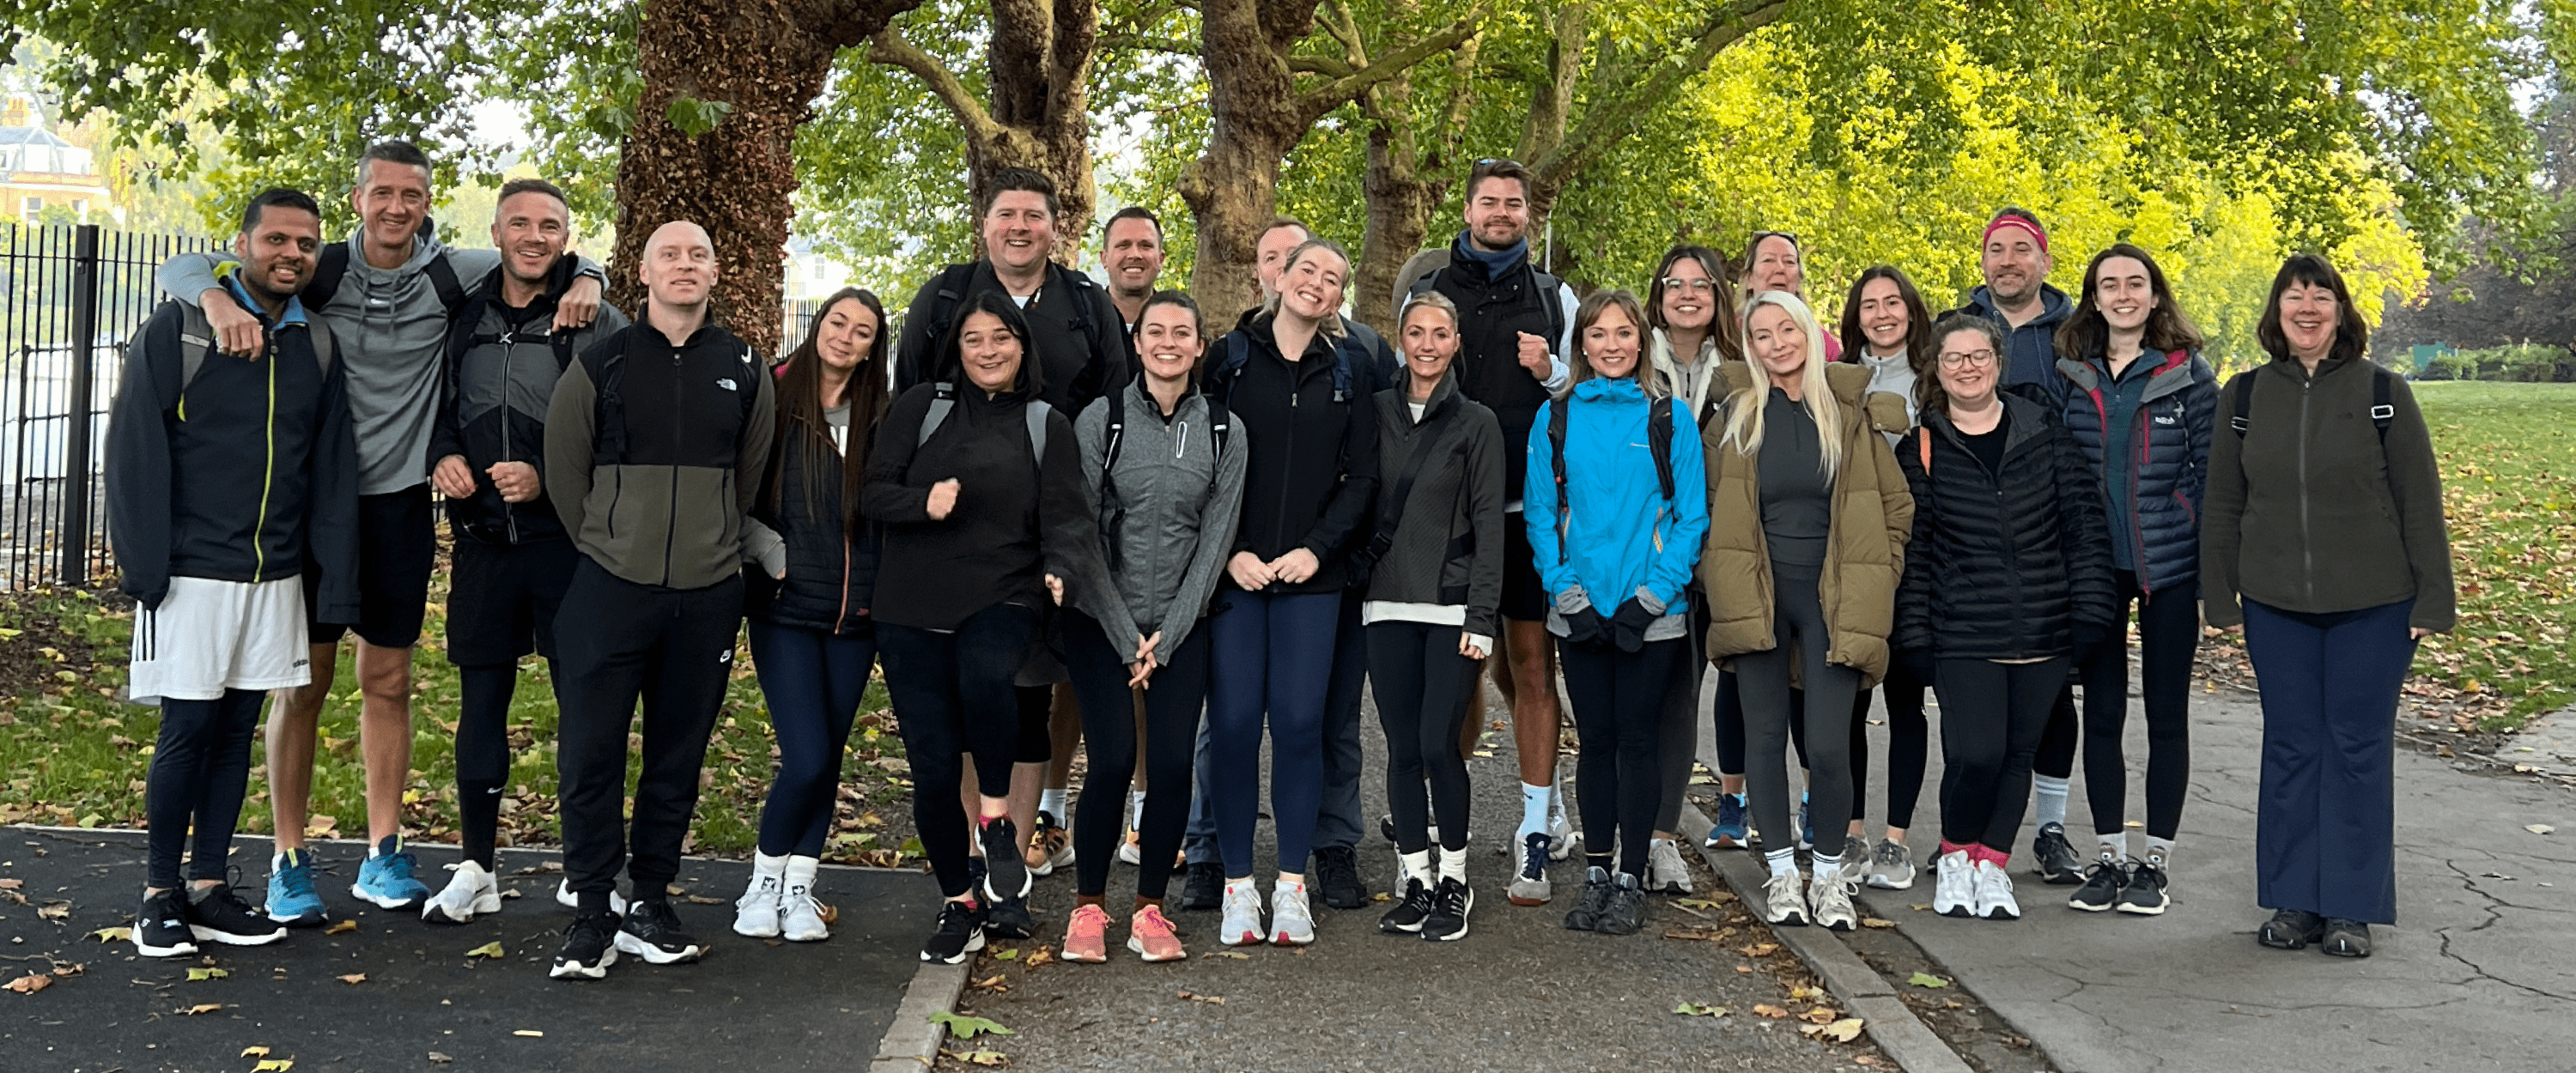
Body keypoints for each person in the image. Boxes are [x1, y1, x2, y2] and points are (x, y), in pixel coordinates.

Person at [155, 140, 605, 924]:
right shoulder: (316, 267)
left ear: (429, 204)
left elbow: (544, 251)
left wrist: (593, 274)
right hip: (314, 506)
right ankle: (288, 860)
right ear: (359, 197)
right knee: (301, 685)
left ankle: (382, 853)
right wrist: (217, 301)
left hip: (399, 504)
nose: (398, 207)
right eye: (383, 193)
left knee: (387, 682)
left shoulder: (452, 271)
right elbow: (186, 269)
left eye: (414, 195)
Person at [108, 187, 356, 957]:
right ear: (243, 243)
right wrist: (145, 567)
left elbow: (331, 468)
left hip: (273, 576)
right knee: (187, 731)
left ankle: (210, 887)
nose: (291, 254)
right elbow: (131, 450)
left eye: (306, 244)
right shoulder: (181, 328)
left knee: (238, 733)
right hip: (190, 575)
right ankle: (159, 897)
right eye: (276, 239)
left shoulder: (314, 343)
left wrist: (330, 577)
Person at [543, 221, 775, 979]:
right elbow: (564, 468)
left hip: (707, 596)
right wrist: (612, 543)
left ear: (715, 272)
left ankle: (650, 897)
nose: (684, 266)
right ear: (641, 272)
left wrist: (710, 547)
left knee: (676, 756)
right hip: (608, 589)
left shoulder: (743, 364)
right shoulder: (601, 360)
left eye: (698, 255)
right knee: (590, 753)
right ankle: (590, 908)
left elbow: (748, 474)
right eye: (669, 255)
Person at [2204, 254, 2453, 959]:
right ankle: (2293, 902)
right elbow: (2223, 502)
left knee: (2356, 748)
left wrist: (2433, 599)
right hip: (2275, 605)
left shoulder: (2383, 393)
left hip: (2376, 605)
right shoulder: (2245, 397)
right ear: (2276, 311)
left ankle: (2348, 907)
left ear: (2341, 312)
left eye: (2322, 295)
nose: (2307, 306)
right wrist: (2218, 593)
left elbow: (2419, 500)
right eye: (2294, 294)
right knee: (2290, 746)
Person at [864, 291, 1121, 965]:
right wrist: (924, 501)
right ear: (958, 349)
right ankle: (960, 900)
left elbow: (1067, 516)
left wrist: (1062, 568)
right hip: (911, 605)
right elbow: (872, 492)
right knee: (930, 761)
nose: (988, 352)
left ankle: (997, 820)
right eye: (974, 340)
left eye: (1001, 339)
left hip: (1003, 594)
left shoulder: (1045, 423)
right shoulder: (922, 407)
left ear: (1022, 348)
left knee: (988, 679)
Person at [893, 168, 1133, 882]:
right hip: (952, 540)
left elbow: (1115, 416)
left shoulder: (1087, 306)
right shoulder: (942, 297)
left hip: (1047, 539)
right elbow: (908, 407)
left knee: (1027, 696)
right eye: (1006, 214)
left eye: (1034, 214)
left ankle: (1016, 858)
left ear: (1057, 228)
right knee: (967, 701)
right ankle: (971, 851)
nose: (1020, 226)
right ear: (985, 224)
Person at [420, 178, 630, 924]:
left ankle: (588, 867)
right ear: (498, 232)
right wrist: (443, 454)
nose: (533, 237)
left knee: (586, 708)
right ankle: (477, 864)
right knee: (482, 706)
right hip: (482, 546)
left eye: (550, 226)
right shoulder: (463, 313)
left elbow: (623, 428)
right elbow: (438, 403)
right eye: (519, 224)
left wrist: (549, 478)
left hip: (570, 550)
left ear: (567, 239)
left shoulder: (595, 317)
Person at [1180, 215, 1396, 913]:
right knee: (1236, 723)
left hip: (1314, 577)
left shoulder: (1350, 369)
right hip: (1236, 575)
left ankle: (1294, 884)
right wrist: (1230, 552)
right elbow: (1202, 468)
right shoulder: (1228, 360)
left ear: (1338, 300)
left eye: (1333, 279)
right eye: (1308, 270)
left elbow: (1362, 478)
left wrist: (1317, 550)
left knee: (1304, 725)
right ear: (1279, 277)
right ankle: (1238, 883)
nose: (1318, 284)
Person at [1701, 291, 1911, 931]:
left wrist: (1881, 574)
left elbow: (1896, 509)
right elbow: (1707, 509)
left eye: (1785, 330)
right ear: (1751, 347)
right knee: (1763, 740)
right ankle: (1783, 874)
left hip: (1835, 600)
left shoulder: (1852, 414)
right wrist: (1720, 577)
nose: (1776, 344)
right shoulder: (1734, 417)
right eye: (1761, 335)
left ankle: (1828, 877)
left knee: (1826, 744)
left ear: (1809, 332)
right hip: (1757, 596)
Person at [1895, 315, 2115, 924]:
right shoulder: (1920, 448)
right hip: (1963, 632)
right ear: (1936, 371)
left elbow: (2085, 530)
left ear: (1998, 361)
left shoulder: (2045, 433)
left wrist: (2092, 618)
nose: (1968, 368)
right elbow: (1914, 553)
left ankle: (1991, 865)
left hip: (2044, 628)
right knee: (1977, 754)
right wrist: (1913, 636)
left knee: (2019, 756)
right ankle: (1955, 856)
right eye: (1954, 359)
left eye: (1979, 356)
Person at [1406, 158, 1579, 906]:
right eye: (1489, 202)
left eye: (1514, 203)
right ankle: (1451, 814)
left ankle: (1536, 829)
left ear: (1528, 214)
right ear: (1468, 210)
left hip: (1525, 512)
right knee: (1458, 671)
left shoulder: (1553, 294)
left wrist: (1551, 371)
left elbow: (1586, 384)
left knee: (1532, 668)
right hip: (1447, 517)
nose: (1501, 213)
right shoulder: (1430, 289)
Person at [1058, 291, 1246, 964]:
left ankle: (1149, 909)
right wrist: (1121, 632)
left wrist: (1168, 632)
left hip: (1180, 625)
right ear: (1137, 344)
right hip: (1099, 621)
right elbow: (1079, 535)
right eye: (1155, 332)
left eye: (1183, 334)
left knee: (1169, 768)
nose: (1169, 343)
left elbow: (1215, 542)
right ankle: (1087, 906)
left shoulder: (1225, 431)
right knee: (1110, 762)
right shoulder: (1100, 421)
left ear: (1200, 347)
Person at [1528, 289, 1707, 937]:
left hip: (1649, 613)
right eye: (1598, 334)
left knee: (1639, 742)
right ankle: (1597, 871)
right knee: (1595, 743)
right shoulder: (1555, 418)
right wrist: (1565, 591)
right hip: (1580, 612)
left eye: (1623, 333)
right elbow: (1543, 515)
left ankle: (1632, 874)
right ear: (1582, 345)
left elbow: (1691, 516)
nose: (1611, 344)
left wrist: (1653, 596)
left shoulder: (1669, 418)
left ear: (1641, 342)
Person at [2050, 245, 2216, 915]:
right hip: (2094, 570)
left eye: (2135, 284)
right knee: (2105, 717)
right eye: (2108, 285)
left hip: (2168, 569)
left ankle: (2156, 865)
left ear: (2155, 297)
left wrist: (2209, 574)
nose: (2122, 295)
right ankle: (2110, 858)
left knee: (2166, 716)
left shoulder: (2190, 375)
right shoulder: (2074, 375)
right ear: (2093, 298)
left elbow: (2210, 478)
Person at [729, 288, 893, 942]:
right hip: (786, 608)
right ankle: (762, 882)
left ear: (873, 346)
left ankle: (801, 889)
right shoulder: (769, 394)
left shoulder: (881, 413)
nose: (846, 337)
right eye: (838, 322)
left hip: (856, 615)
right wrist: (771, 554)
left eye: (862, 331)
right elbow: (728, 488)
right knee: (805, 757)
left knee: (829, 758)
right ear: (818, 325)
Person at [1364, 291, 1507, 942]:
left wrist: (1483, 616)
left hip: (1451, 609)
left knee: (1437, 746)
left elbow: (1489, 527)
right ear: (1401, 339)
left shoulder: (1476, 423)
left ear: (1455, 343)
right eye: (1415, 332)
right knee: (1398, 750)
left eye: (1440, 333)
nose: (1427, 344)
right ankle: (1416, 877)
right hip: (1385, 603)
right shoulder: (1372, 414)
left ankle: (1455, 877)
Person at [1949, 208, 2084, 882]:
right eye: (1996, 250)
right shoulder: (1955, 329)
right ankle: (1966, 843)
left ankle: (2051, 828)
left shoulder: (2076, 334)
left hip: (2057, 524)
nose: (2007, 260)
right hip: (1977, 536)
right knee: (1984, 716)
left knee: (2054, 694)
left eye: (2021, 250)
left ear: (2044, 260)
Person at [1832, 265, 1937, 891]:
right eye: (1869, 305)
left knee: (1906, 701)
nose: (1881, 313)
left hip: (1917, 556)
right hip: (1850, 560)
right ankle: (1850, 832)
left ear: (1911, 310)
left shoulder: (1933, 381)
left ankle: (1896, 841)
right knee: (1847, 702)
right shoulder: (1837, 379)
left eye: (1892, 302)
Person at [1641, 245, 1738, 894]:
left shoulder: (1740, 373)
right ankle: (1615, 837)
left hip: (1709, 559)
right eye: (1674, 284)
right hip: (1635, 558)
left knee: (1678, 700)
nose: (1686, 294)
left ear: (1718, 297)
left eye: (1700, 285)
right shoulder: (1627, 361)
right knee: (1625, 705)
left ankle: (1661, 838)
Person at [1740, 232, 1841, 361]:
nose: (1780, 269)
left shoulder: (1822, 343)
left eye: (1789, 261)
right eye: (1768, 260)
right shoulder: (1727, 335)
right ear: (1750, 279)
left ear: (1798, 281)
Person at [1101, 207, 1168, 330]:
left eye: (1146, 246)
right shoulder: (1081, 323)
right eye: (1123, 246)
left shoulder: (1180, 324)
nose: (1135, 255)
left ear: (1161, 259)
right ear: (1104, 259)